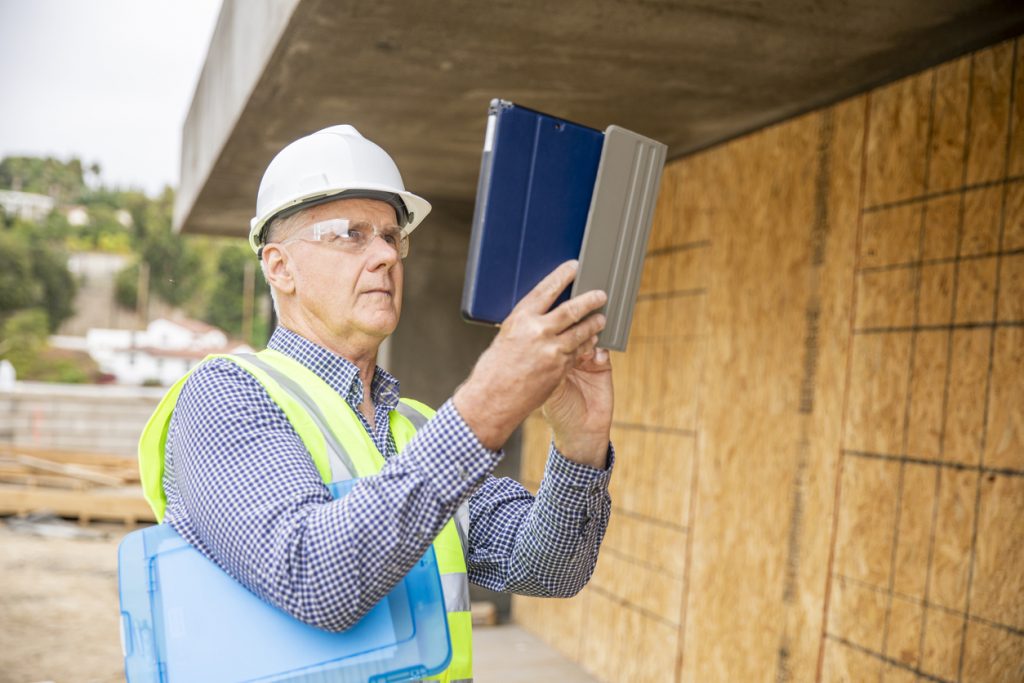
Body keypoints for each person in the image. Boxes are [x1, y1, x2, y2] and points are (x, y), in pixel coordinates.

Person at [139, 125, 615, 682]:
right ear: (279, 267)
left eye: (392, 236)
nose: (385, 255)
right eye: (350, 234)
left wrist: (580, 446)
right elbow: (312, 577)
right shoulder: (227, 396)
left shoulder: (417, 427)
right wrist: (489, 403)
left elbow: (549, 569)